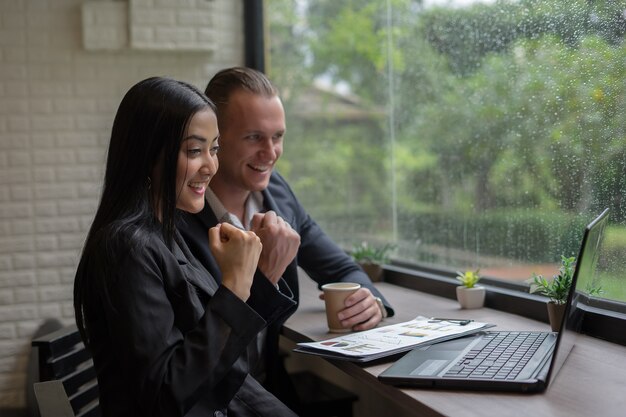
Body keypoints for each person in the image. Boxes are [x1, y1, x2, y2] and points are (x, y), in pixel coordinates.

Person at [73, 76, 298, 417]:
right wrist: (237, 283)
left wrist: (255, 279)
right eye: (195, 150)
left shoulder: (163, 234)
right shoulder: (127, 248)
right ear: (147, 155)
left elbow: (224, 365)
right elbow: (168, 395)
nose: (210, 165)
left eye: (215, 148)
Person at [177, 67, 395, 403]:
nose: (270, 153)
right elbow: (197, 357)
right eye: (254, 137)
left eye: (277, 136)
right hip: (215, 400)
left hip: (271, 386)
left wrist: (370, 301)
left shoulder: (277, 193)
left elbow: (339, 268)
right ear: (215, 140)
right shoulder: (180, 216)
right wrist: (263, 276)